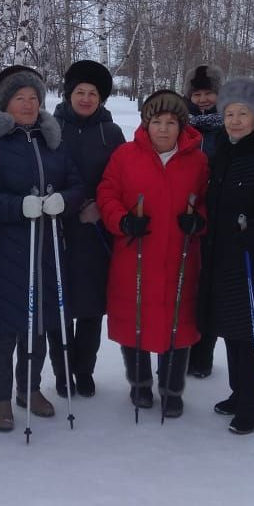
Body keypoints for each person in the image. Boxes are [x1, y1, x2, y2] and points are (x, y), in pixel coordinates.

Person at [0, 66, 84, 432]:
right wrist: (17, 207)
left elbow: (77, 185)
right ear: (5, 103)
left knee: (38, 323)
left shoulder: (53, 139)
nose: (29, 104)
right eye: (20, 98)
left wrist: (65, 199)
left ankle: (29, 388)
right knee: (1, 327)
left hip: (46, 248)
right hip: (1, 249)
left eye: (34, 98)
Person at [97, 90, 209, 417]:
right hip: (135, 253)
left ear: (181, 126)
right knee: (135, 317)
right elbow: (107, 193)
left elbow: (206, 200)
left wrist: (198, 220)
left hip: (180, 255)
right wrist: (122, 220)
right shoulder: (124, 155)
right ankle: (140, 384)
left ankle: (172, 389)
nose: (163, 128)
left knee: (178, 318)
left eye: (170, 122)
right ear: (146, 124)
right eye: (156, 121)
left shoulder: (198, 160)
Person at [197, 78, 254, 434]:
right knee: (231, 328)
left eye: (243, 113)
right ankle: (239, 393)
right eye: (229, 113)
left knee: (253, 330)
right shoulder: (225, 148)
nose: (234, 120)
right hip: (225, 253)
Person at [48, 60, 125, 397]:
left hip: (97, 230)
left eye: (93, 93)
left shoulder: (112, 133)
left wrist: (101, 206)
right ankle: (63, 371)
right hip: (58, 228)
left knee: (92, 306)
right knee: (60, 303)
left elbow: (120, 177)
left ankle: (84, 369)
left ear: (102, 98)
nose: (86, 98)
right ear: (68, 94)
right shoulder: (49, 127)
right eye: (80, 91)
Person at [182, 64, 225, 378]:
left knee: (210, 284)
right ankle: (182, 347)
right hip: (185, 214)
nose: (203, 99)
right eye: (197, 93)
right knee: (186, 284)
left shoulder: (230, 124)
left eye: (209, 92)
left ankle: (203, 353)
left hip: (218, 214)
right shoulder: (182, 126)